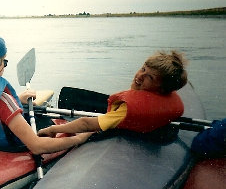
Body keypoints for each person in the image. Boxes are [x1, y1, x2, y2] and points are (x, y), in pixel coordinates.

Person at [0, 36, 92, 155]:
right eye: (4, 62)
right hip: (8, 149)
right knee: (45, 122)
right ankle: (59, 129)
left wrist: (17, 100)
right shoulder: (3, 99)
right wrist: (78, 140)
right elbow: (36, 146)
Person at [38, 50, 188, 138]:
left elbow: (86, 124)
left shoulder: (126, 110)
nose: (140, 76)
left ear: (161, 89)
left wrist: (53, 129)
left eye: (149, 77)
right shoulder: (158, 97)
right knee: (71, 96)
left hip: (121, 124)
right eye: (143, 69)